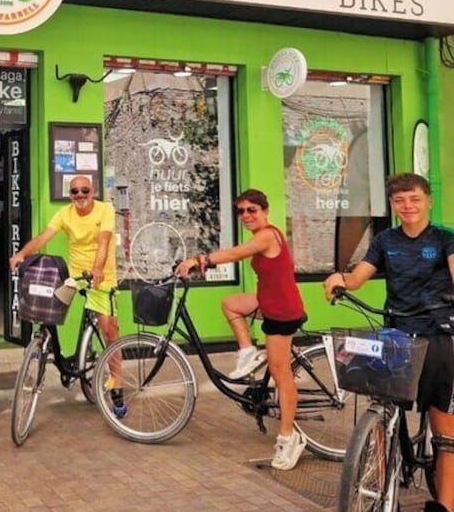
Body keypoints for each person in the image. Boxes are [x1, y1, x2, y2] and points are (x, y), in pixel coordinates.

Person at [324, 173, 454, 512]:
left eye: (414, 199)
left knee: (444, 428)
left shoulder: (445, 239)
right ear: (393, 205)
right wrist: (339, 280)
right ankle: (380, 484)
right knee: (384, 409)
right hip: (396, 333)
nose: (407, 206)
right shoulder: (385, 240)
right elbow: (358, 277)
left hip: (438, 334)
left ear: (428, 201)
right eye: (399, 201)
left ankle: (445, 504)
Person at [175, 188, 308, 471]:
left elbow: (237, 253)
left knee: (282, 374)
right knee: (230, 303)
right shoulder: (263, 236)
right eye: (242, 211)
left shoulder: (268, 235)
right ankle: (248, 352)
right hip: (268, 301)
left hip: (281, 310)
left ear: (265, 211)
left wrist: (199, 261)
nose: (246, 215)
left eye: (252, 210)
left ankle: (288, 437)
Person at [8, 176, 122, 413]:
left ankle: (116, 383)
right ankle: (57, 354)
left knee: (109, 330)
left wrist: (98, 268)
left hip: (101, 275)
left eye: (84, 190)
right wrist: (21, 254)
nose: (80, 195)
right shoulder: (65, 214)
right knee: (48, 306)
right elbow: (42, 238)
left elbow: (104, 243)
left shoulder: (105, 209)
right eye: (74, 192)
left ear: (93, 191)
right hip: (75, 274)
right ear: (69, 194)